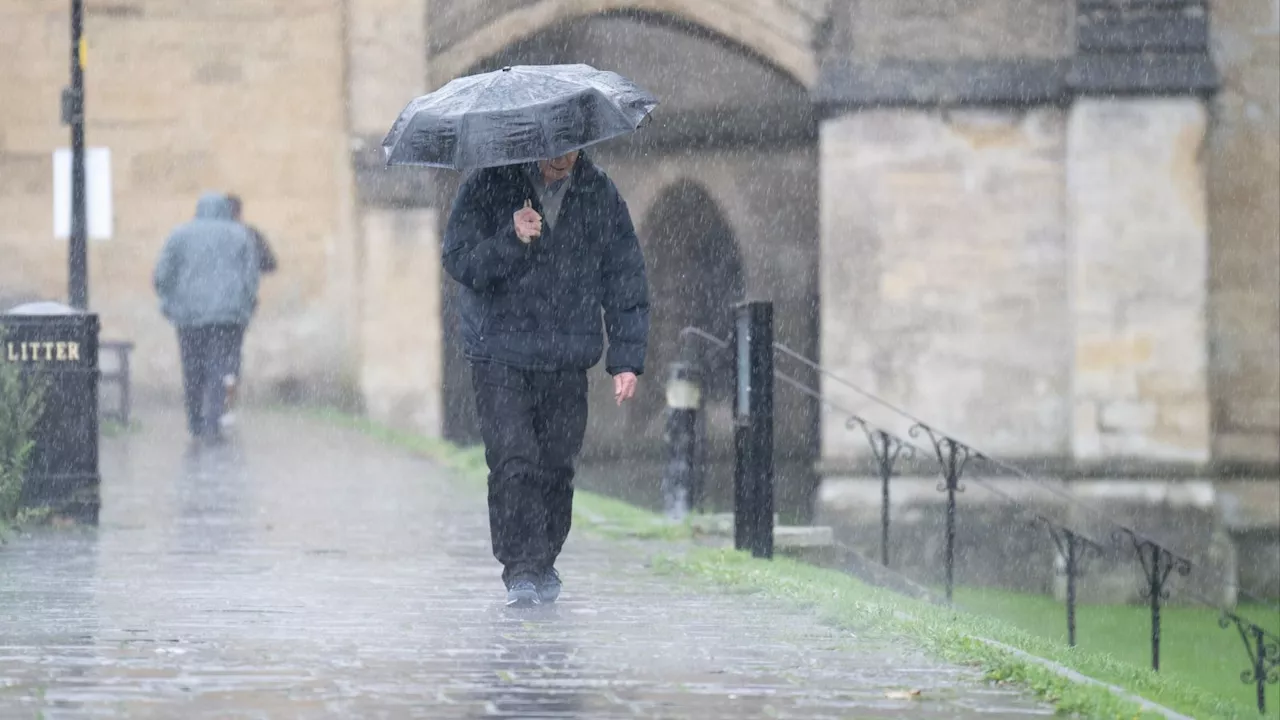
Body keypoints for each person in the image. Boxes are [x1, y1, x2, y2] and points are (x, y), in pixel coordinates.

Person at [442, 150, 650, 607]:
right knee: (514, 460)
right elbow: (459, 261)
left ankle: (544, 559)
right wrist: (511, 239)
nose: (561, 157)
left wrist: (627, 357)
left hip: (566, 353)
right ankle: (521, 569)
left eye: (570, 146)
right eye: (552, 146)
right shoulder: (487, 185)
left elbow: (625, 276)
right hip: (500, 350)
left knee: (557, 465)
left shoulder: (599, 193)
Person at [153, 192, 260, 442]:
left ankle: (194, 421)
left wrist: (169, 301)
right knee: (219, 367)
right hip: (228, 316)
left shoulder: (180, 235)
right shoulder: (239, 235)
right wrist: (246, 303)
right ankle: (213, 420)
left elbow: (162, 273)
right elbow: (251, 277)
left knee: (192, 368)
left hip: (189, 316)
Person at [221, 194, 278, 423]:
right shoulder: (249, 234)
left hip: (207, 308)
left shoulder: (209, 237)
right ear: (239, 212)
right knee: (231, 353)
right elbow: (270, 263)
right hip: (238, 305)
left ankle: (213, 401)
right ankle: (227, 402)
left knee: (209, 353)